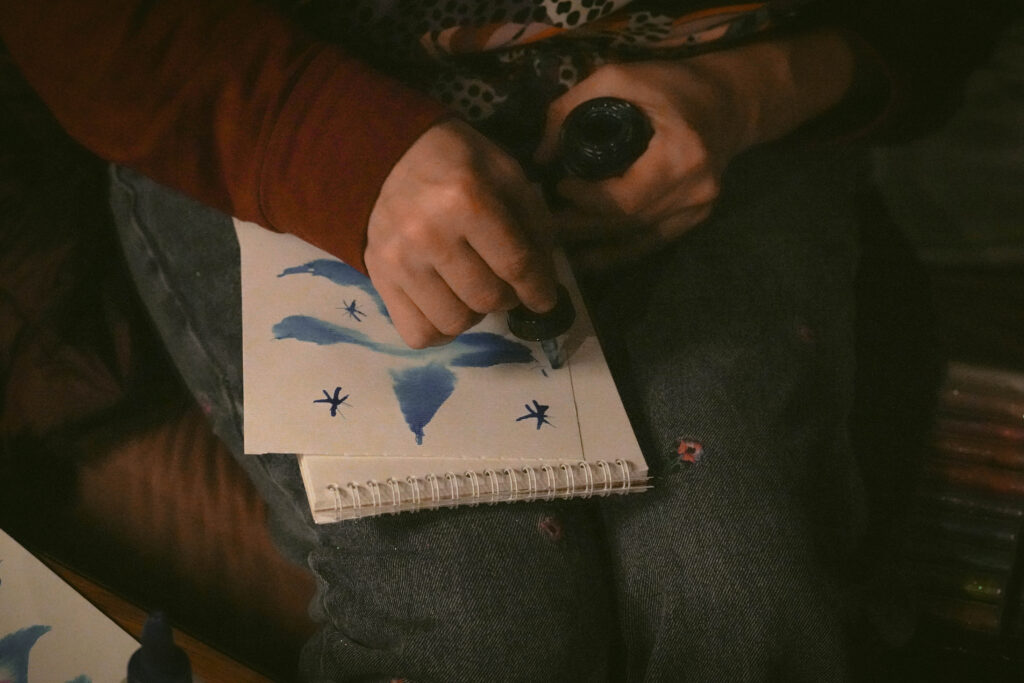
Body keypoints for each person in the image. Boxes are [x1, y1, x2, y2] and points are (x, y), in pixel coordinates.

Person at [0, 1, 1011, 680]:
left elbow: (945, 22)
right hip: (275, 80)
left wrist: (750, 89)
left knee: (744, 595)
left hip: (722, 105)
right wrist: (341, 147)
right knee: (479, 630)